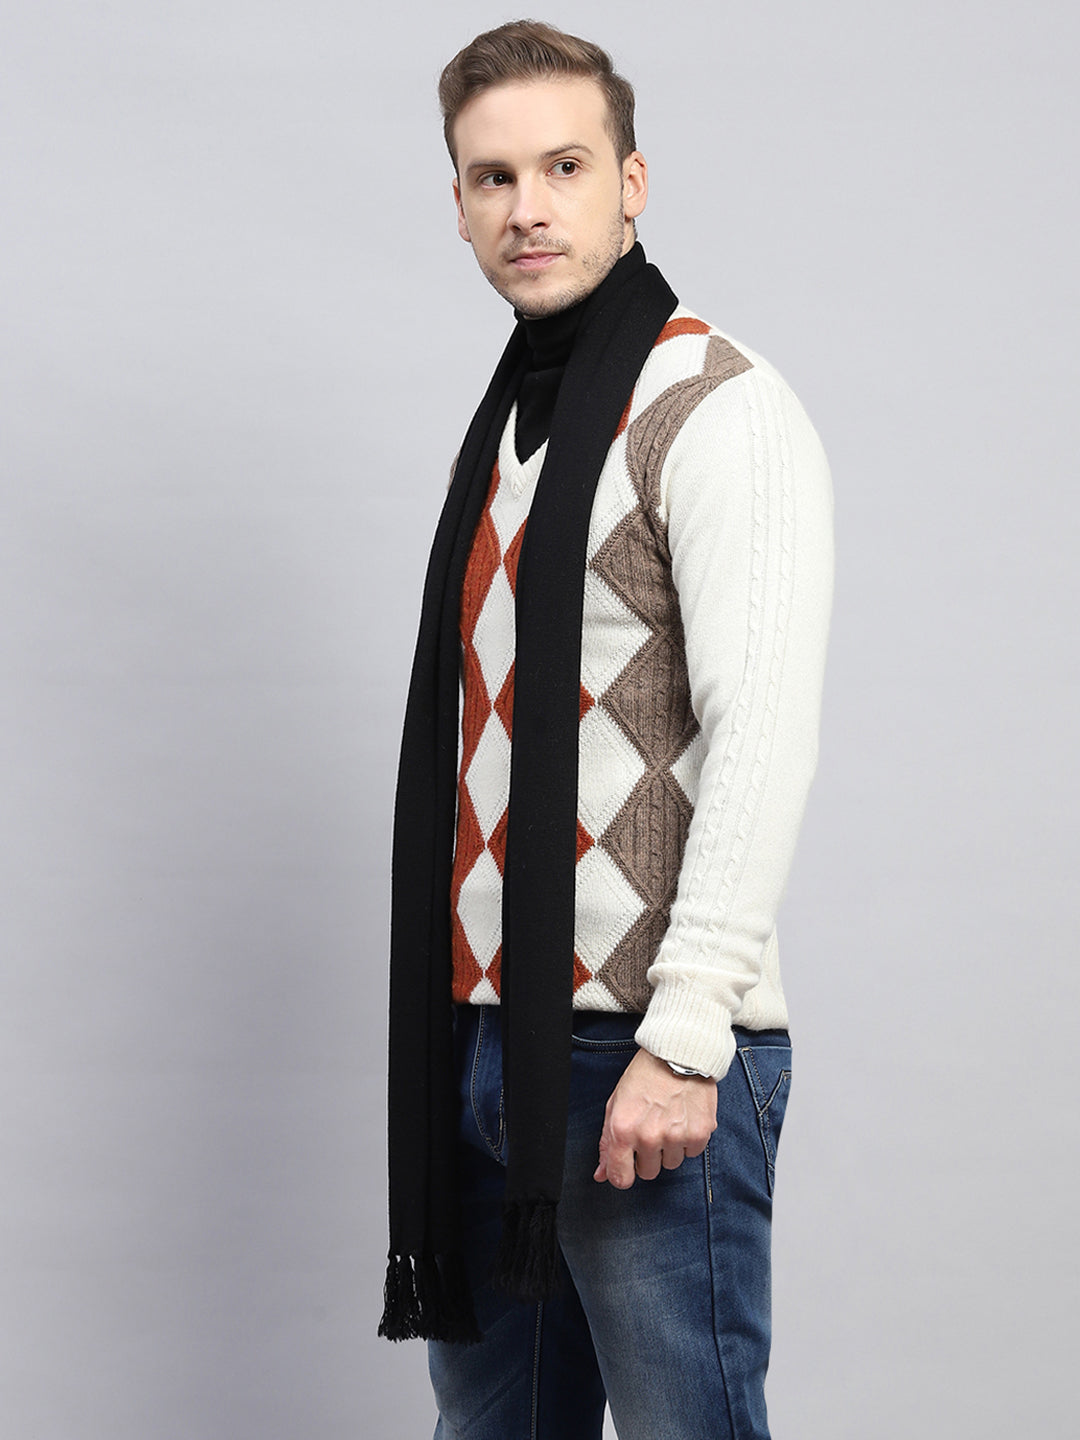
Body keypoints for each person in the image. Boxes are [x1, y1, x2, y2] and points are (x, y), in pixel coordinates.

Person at [381, 20, 833, 1440]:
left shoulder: (719, 406)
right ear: (460, 205)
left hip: (641, 1048)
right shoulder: (511, 434)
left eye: (565, 167)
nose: (530, 207)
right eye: (493, 176)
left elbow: (762, 737)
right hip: (489, 1043)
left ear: (632, 183)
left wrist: (687, 1040)